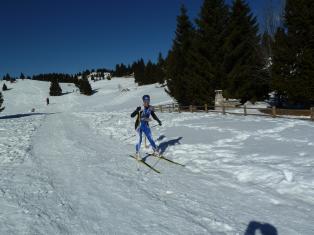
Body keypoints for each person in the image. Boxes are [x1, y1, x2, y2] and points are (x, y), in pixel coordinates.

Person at [131, 95, 162, 159]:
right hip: (138, 126)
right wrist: (136, 110)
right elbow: (132, 115)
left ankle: (156, 151)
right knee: (139, 139)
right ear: (143, 101)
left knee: (150, 137)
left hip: (145, 125)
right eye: (145, 101)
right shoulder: (141, 108)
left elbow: (153, 115)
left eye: (148, 100)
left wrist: (158, 120)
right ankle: (137, 153)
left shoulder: (150, 108)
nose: (146, 102)